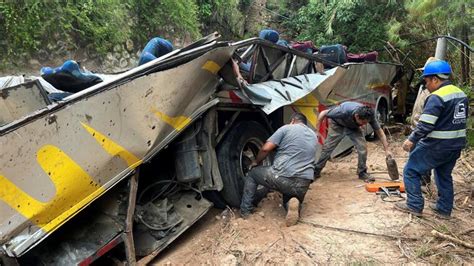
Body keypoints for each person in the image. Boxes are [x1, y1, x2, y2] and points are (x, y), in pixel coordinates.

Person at [394, 60, 468, 219]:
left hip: (437, 145)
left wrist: (411, 140)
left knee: (411, 170)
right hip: (456, 145)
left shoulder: (437, 97)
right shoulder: (460, 93)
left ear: (435, 79)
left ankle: (414, 205)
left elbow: (425, 125)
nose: (426, 85)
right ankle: (444, 210)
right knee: (443, 175)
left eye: (427, 81)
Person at [240, 112, 317, 226]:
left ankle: (245, 211)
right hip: (304, 182)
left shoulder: (286, 129)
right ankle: (292, 203)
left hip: (282, 177)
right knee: (290, 196)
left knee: (252, 175)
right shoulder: (313, 135)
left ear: (293, 121)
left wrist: (257, 161)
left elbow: (266, 149)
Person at [313, 101, 391, 182]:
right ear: (357, 116)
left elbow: (380, 133)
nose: (364, 124)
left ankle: (362, 172)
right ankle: (316, 171)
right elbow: (323, 113)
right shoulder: (342, 111)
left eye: (366, 123)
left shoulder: (370, 116)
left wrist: (387, 150)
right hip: (337, 125)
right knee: (327, 148)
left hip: (353, 127)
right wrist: (317, 131)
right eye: (363, 122)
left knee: (362, 148)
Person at [410, 57, 441, 192]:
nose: (424, 76)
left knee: (419, 160)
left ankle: (422, 184)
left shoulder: (435, 93)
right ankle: (422, 181)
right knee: (416, 157)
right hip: (417, 128)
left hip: (423, 130)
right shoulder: (424, 87)